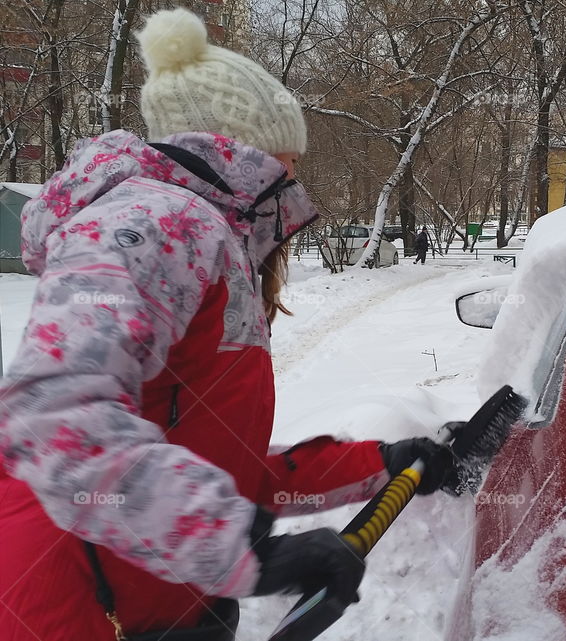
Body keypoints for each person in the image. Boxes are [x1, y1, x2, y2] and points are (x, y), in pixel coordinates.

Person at [0, 9, 458, 641]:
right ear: (238, 156)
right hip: (66, 607)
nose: (293, 183)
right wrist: (235, 550)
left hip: (156, 606)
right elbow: (54, 416)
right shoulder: (156, 223)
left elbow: (224, 465)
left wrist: (381, 464)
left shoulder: (211, 244)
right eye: (283, 165)